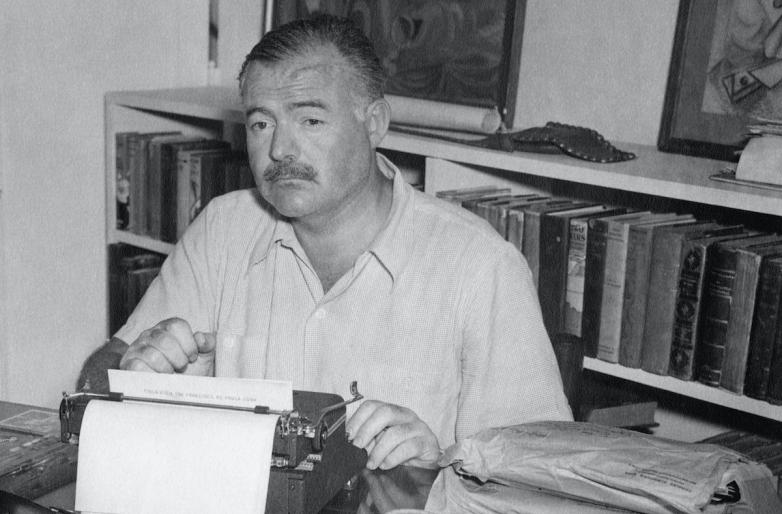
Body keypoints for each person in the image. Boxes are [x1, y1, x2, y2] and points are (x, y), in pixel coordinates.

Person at [78, 14, 571, 471]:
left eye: (310, 120)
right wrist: (130, 379)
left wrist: (436, 470)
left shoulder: (481, 266)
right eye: (261, 123)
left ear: (374, 123)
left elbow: (545, 481)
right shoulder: (223, 229)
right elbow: (91, 384)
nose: (279, 149)